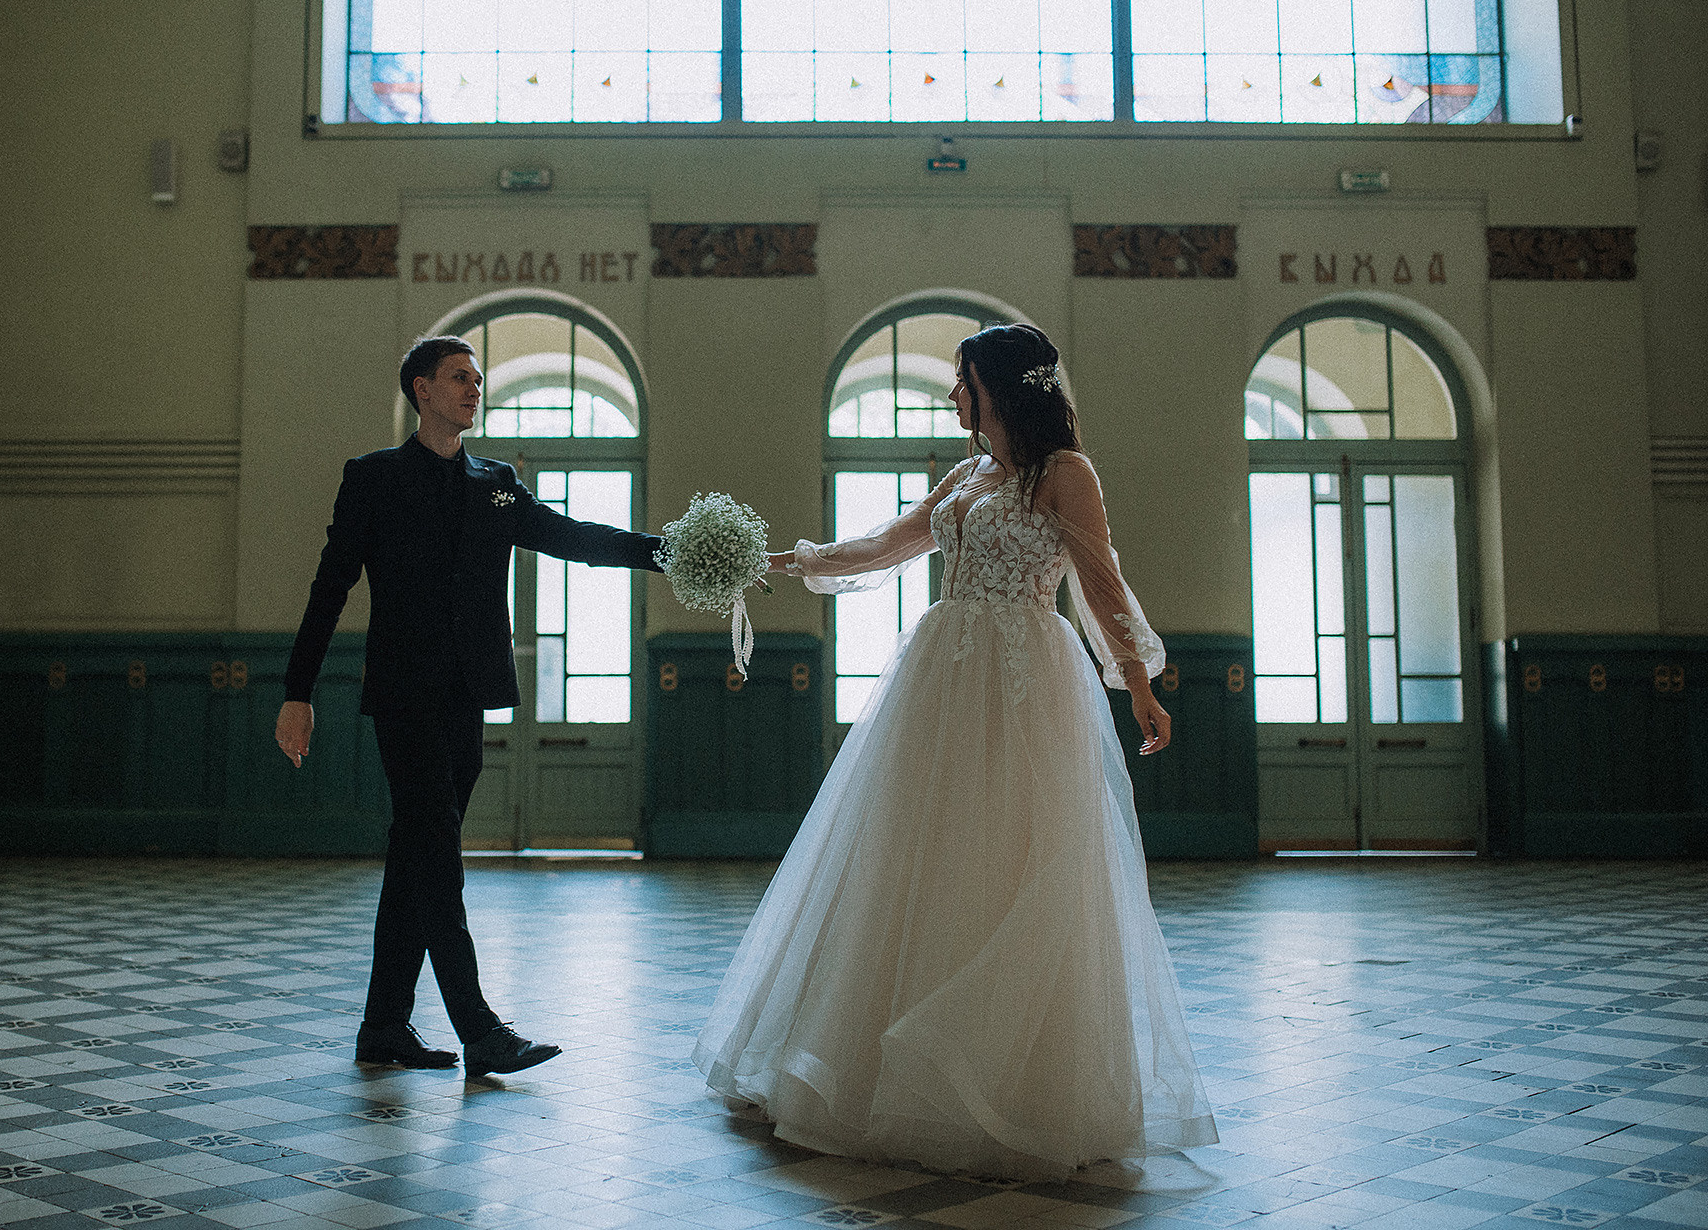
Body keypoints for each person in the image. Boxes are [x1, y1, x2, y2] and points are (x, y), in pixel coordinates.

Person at [694, 322, 1217, 1179]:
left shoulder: (1066, 475)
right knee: (913, 854)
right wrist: (795, 560)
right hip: (942, 677)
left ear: (1000, 387)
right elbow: (890, 544)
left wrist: (1139, 681)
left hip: (1024, 680)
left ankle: (1011, 1082)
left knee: (1013, 857)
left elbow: (1102, 580)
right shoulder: (969, 475)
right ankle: (876, 1069)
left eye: (961, 379)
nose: (950, 395)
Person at [276, 334, 666, 1078]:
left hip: (468, 695)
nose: (473, 388)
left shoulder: (496, 481)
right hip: (403, 694)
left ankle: (383, 1025)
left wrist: (669, 550)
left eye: (477, 379)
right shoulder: (373, 478)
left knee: (417, 853)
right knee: (438, 852)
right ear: (420, 389)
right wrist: (298, 691)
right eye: (459, 377)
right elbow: (331, 587)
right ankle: (480, 1028)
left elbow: (571, 538)